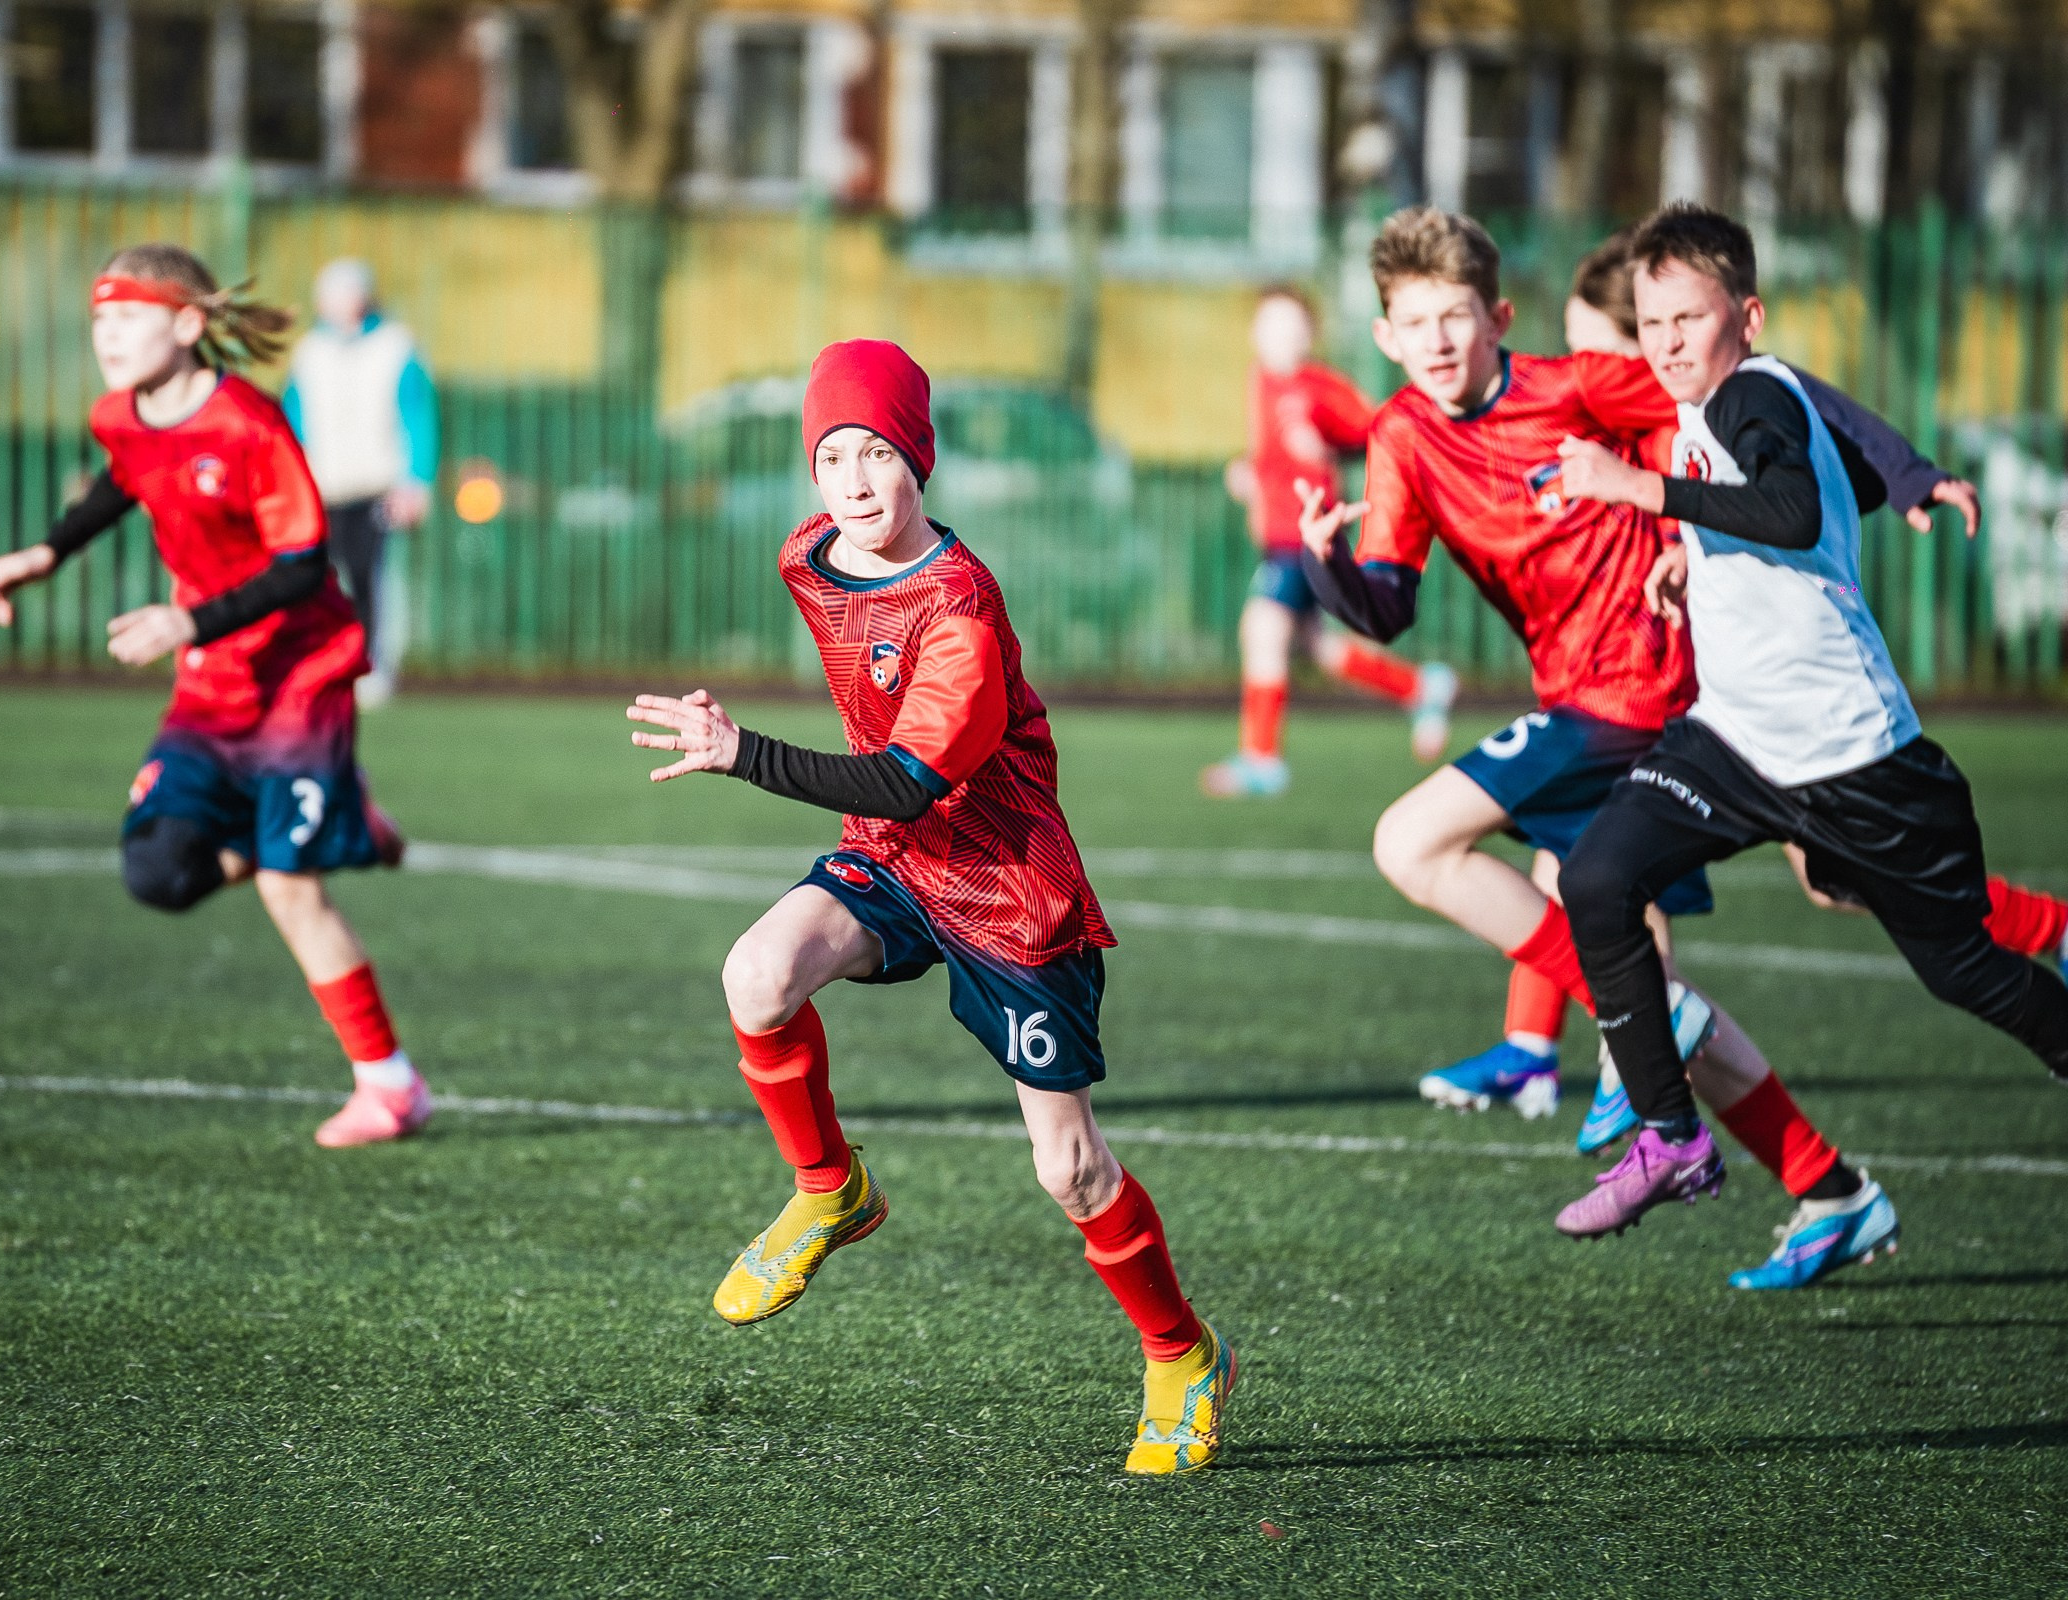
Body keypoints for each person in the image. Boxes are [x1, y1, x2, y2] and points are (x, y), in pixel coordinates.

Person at [1296, 208, 1935, 1289]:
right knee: (1682, 961)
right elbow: (1391, 604)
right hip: (1588, 703)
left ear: (1500, 318)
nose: (1442, 339)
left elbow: (1763, 392)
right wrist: (1328, 570)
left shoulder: (1579, 386)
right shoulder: (1402, 435)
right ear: (1385, 336)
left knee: (1411, 842)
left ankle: (1631, 1014)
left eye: (1460, 315)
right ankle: (1832, 1188)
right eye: (1417, 322)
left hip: (1650, 694)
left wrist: (1904, 471)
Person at [624, 339, 1233, 1474]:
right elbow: (893, 801)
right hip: (896, 859)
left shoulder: (960, 608)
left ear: (922, 461)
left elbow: (907, 775)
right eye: (832, 456)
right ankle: (831, 1190)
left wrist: (737, 749)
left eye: (878, 453)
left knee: (1071, 1170)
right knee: (755, 975)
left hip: (1006, 887)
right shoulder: (811, 553)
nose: (852, 481)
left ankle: (1181, 1354)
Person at [1551, 204, 2068, 1279]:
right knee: (1600, 876)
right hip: (1739, 741)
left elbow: (1786, 507)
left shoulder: (1749, 393)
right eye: (1650, 323)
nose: (1668, 342)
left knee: (1966, 970)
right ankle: (1673, 1132)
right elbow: (1807, 493)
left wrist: (1639, 490)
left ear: (1748, 314)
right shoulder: (1722, 401)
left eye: (1689, 317)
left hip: (1853, 759)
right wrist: (1696, 554)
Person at [0, 244, 429, 1151]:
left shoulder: (249, 424)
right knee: (159, 875)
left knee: (291, 889)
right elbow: (123, 477)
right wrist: (46, 553)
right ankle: (346, 818)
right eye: (99, 320)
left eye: (128, 318)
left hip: (301, 672)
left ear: (186, 325)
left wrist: (187, 624)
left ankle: (390, 1087)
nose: (108, 336)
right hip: (214, 684)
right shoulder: (121, 414)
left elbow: (303, 568)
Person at [1202, 287, 1454, 798]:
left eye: (1292, 326)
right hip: (1278, 536)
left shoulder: (1317, 386)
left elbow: (1375, 430)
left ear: (1309, 335)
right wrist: (1249, 472)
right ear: (1255, 334)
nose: (1281, 336)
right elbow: (1273, 454)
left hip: (1307, 533)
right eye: (1271, 325)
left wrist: (1329, 449)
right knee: (1315, 646)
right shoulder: (1263, 383)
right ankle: (1420, 687)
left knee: (1262, 630)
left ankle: (1262, 759)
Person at [283, 259, 439, 709]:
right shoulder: (309, 351)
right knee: (319, 580)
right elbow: (294, 419)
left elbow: (417, 414)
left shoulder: (396, 345)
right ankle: (324, 663)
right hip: (321, 486)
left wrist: (416, 481)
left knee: (371, 577)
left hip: (376, 484)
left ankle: (373, 667)